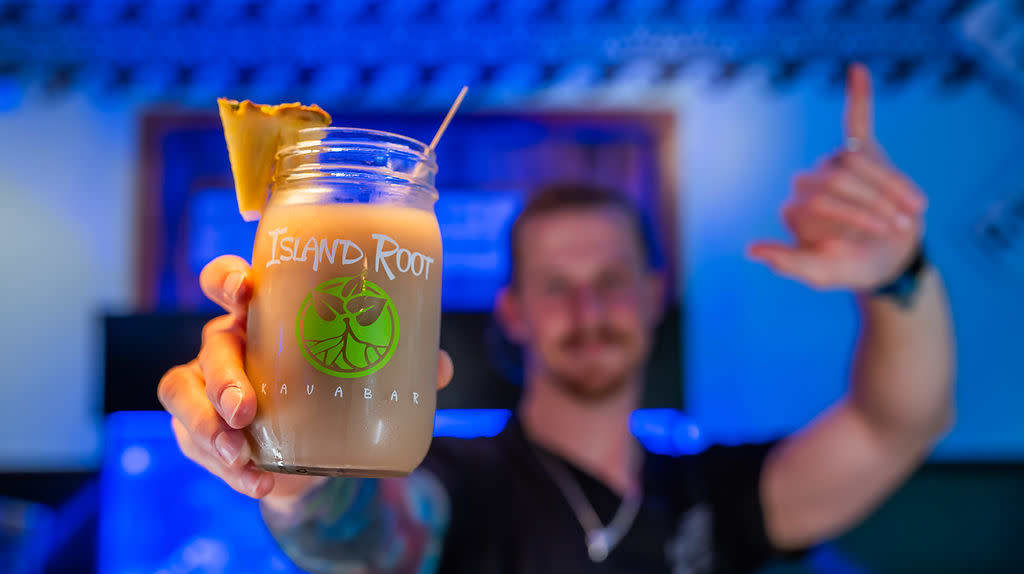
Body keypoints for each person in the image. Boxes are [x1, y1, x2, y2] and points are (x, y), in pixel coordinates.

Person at [158, 64, 954, 573]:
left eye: (611, 279)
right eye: (556, 285)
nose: (587, 308)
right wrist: (300, 478)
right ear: (514, 311)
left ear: (652, 295)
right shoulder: (464, 482)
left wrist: (901, 278)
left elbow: (898, 424)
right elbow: (366, 542)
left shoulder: (711, 494)